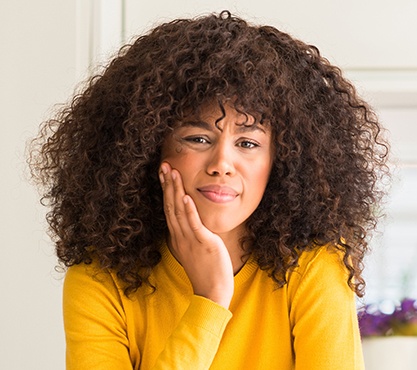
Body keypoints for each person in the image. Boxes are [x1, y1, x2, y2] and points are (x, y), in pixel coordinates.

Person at [29, 10, 390, 370]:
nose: (222, 163)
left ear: (279, 162)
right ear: (148, 149)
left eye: (248, 143)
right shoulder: (99, 279)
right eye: (198, 138)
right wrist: (210, 301)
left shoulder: (314, 267)